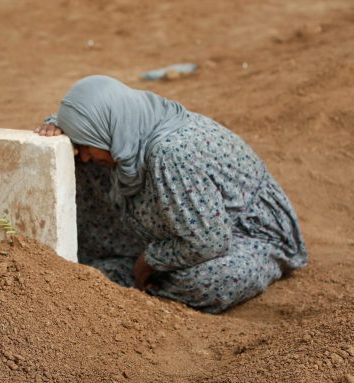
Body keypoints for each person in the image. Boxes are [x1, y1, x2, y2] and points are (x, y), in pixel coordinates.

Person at [35, 75, 307, 313]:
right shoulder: (130, 125)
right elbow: (89, 132)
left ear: (107, 127)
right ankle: (117, 267)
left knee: (209, 281)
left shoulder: (171, 154)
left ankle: (134, 277)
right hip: (185, 223)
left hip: (243, 235)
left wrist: (148, 261)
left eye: (86, 144)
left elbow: (210, 242)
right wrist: (60, 132)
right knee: (83, 169)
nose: (84, 154)